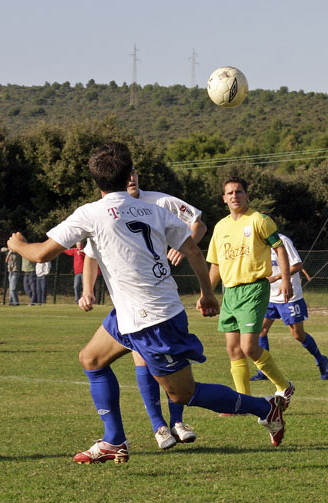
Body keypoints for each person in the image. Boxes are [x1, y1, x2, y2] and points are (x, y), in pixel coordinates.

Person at [7, 142, 287, 464]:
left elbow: (42, 253)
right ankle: (114, 440)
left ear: (95, 180)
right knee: (92, 359)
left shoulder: (90, 213)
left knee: (183, 393)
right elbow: (192, 250)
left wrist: (18, 244)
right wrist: (207, 294)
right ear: (129, 173)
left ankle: (265, 407)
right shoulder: (153, 209)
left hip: (154, 319)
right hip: (132, 312)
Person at [83, 165, 208, 450]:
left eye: (134, 174)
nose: (131, 179)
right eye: (126, 175)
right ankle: (159, 426)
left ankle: (176, 422)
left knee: (173, 360)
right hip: (133, 302)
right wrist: (88, 290)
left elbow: (198, 223)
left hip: (161, 294)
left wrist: (183, 246)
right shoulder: (104, 212)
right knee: (142, 358)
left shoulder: (160, 202)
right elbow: (90, 255)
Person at [206, 176, 295, 404]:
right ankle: (244, 402)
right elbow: (215, 264)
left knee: (248, 347)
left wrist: (286, 280)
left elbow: (280, 249)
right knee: (233, 349)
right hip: (230, 292)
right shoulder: (220, 226)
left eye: (239, 192)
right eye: (230, 193)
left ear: (246, 195)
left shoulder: (259, 220)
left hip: (254, 289)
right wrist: (206, 293)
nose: (234, 196)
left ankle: (283, 386)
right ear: (224, 198)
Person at [250, 233, 328, 382]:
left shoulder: (282, 240)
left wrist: (277, 277)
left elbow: (298, 265)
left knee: (298, 334)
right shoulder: (256, 242)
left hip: (289, 295)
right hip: (269, 295)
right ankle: (264, 371)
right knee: (261, 330)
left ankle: (321, 359)